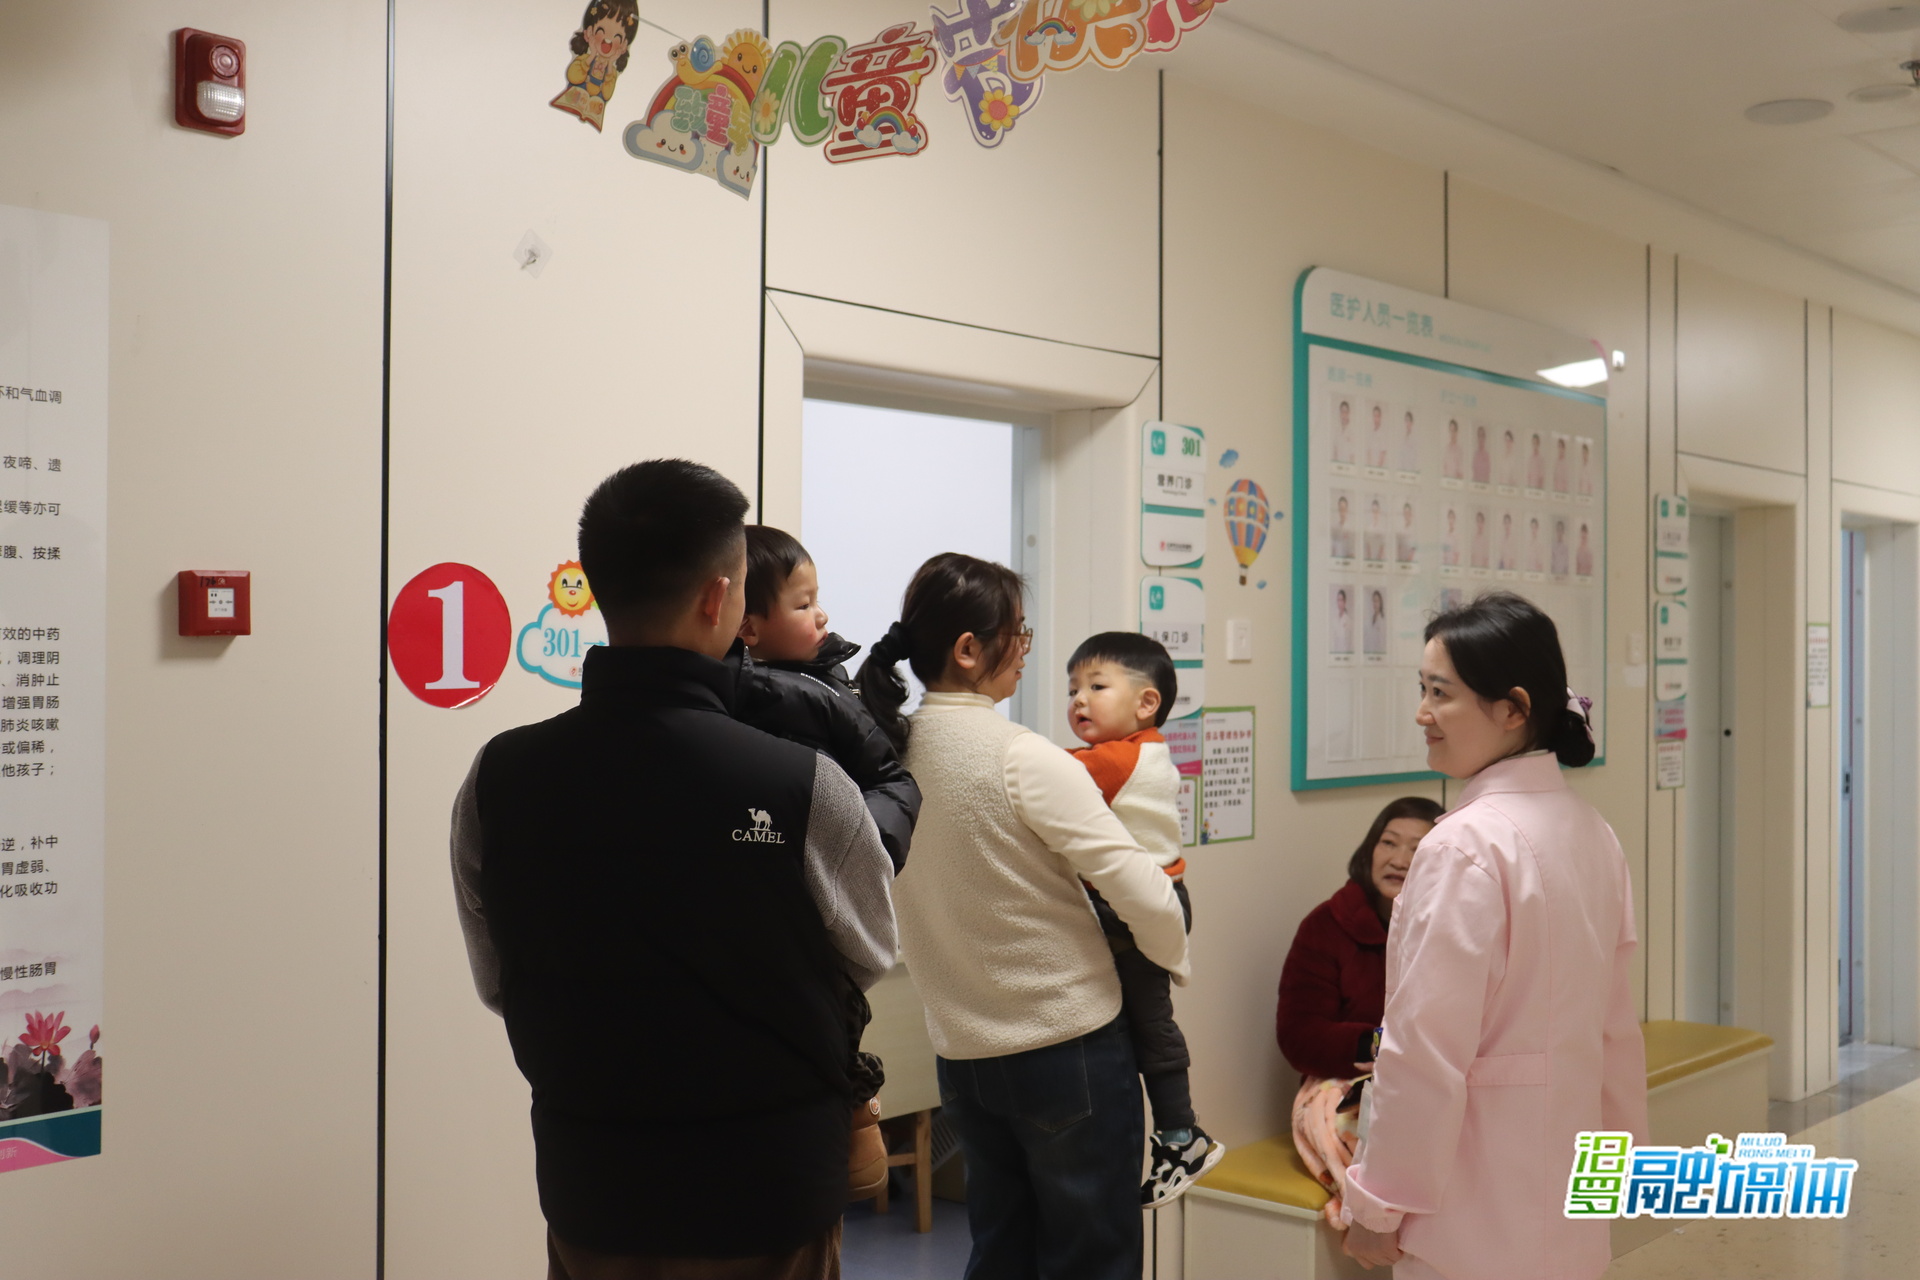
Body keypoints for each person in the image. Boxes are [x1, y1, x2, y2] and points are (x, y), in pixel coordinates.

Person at [450, 460, 897, 1280]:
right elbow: (868, 954)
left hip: (593, 1187)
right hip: (769, 1189)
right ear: (718, 597)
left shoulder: (498, 778)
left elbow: (497, 980)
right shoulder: (801, 782)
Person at [863, 553, 1189, 1280]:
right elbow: (1145, 891)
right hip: (1067, 1045)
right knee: (1093, 1260)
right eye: (1019, 632)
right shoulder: (1023, 757)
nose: (1024, 648)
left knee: (1000, 1249)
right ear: (968, 649)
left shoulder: (887, 754)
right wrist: (1172, 960)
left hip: (963, 1050)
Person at [1340, 592, 1648, 1279]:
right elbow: (1615, 1033)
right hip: (1570, 1199)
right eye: (1422, 689)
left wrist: (1377, 1206)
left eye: (1441, 693)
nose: (1422, 712)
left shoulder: (1465, 846)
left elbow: (1423, 1050)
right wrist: (1612, 1179)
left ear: (1513, 709)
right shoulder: (1591, 830)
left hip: (1471, 1212)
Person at [732, 523, 924, 1200]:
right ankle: (856, 1104)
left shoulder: (815, 680)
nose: (822, 614)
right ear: (748, 627)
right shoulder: (778, 699)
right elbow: (878, 783)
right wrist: (862, 860)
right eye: (802, 603)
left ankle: (856, 1102)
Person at [1065, 632, 1222, 1206]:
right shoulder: (1148, 748)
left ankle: (1183, 1135)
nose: (1079, 699)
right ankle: (1174, 1132)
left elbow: (1040, 778)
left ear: (1146, 703)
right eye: (1073, 689)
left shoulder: (1117, 758)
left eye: (1096, 686)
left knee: (1151, 1021)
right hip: (1153, 898)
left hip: (1137, 907)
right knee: (1141, 1018)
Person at [1276, 797, 1444, 1225]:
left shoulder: (1450, 925)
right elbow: (1298, 1036)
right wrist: (1381, 1044)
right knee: (1384, 1136)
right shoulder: (1327, 925)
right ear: (1370, 848)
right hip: (1344, 1083)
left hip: (1431, 1076)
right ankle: (1374, 1222)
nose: (1399, 859)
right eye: (1389, 842)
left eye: (1416, 848)